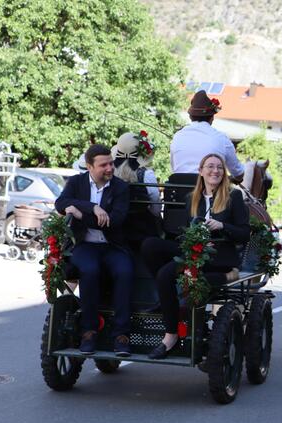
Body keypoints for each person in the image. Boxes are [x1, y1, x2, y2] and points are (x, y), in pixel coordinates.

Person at [141, 153, 250, 360]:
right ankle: (168, 296)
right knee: (150, 245)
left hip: (218, 254)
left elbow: (244, 233)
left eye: (219, 167)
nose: (215, 171)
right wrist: (190, 240)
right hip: (195, 250)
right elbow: (185, 232)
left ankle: (170, 336)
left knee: (166, 274)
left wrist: (222, 226)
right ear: (201, 171)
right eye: (210, 166)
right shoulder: (192, 198)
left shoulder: (233, 196)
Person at [55, 144, 134, 357]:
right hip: (84, 245)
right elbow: (61, 203)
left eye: (111, 163)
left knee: (125, 271)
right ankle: (88, 332)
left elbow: (115, 221)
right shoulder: (76, 182)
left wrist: (82, 215)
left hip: (112, 245)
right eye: (103, 165)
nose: (110, 168)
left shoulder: (120, 187)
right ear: (89, 167)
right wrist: (92, 207)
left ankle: (121, 335)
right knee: (89, 270)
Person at [171, 90, 245, 182]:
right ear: (212, 117)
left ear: (190, 117)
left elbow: (174, 169)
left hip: (178, 189)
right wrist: (233, 179)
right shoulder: (221, 139)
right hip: (209, 190)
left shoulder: (177, 136)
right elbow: (238, 173)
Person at [112, 131, 162, 248]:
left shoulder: (110, 173)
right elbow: (156, 208)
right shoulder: (146, 174)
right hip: (143, 230)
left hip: (116, 228)